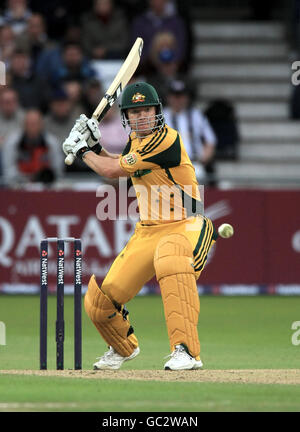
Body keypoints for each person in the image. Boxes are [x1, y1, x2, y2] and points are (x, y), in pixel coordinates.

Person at [62, 82, 219, 371]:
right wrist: (95, 146)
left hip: (187, 225)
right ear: (127, 117)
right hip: (148, 231)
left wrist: (82, 150)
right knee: (101, 300)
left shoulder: (167, 140)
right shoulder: (135, 143)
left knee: (170, 257)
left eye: (146, 110)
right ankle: (122, 347)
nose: (141, 116)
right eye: (134, 112)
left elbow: (110, 170)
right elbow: (118, 164)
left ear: (157, 112)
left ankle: (186, 351)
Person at [164, 80, 217, 185]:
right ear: (168, 97)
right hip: (168, 166)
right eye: (175, 96)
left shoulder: (196, 115)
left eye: (181, 96)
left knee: (198, 179)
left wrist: (203, 159)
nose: (178, 100)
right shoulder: (161, 116)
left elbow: (210, 140)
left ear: (187, 98)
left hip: (194, 164)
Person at [2, 109, 63, 184]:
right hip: (19, 186)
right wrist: (27, 180)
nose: (32, 127)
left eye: (35, 124)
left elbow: (57, 171)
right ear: (24, 125)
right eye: (29, 124)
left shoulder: (52, 143)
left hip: (45, 186)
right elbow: (9, 171)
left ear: (41, 125)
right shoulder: (12, 142)